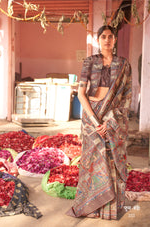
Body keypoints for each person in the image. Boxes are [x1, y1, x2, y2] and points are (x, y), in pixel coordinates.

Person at [66, 25, 132, 220]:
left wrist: (111, 121)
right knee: (93, 162)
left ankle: (109, 209)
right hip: (91, 117)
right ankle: (91, 207)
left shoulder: (123, 64)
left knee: (111, 161)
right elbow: (81, 94)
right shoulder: (89, 62)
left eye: (110, 37)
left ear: (115, 40)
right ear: (98, 40)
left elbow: (127, 97)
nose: (107, 40)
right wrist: (96, 122)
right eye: (103, 37)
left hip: (114, 118)